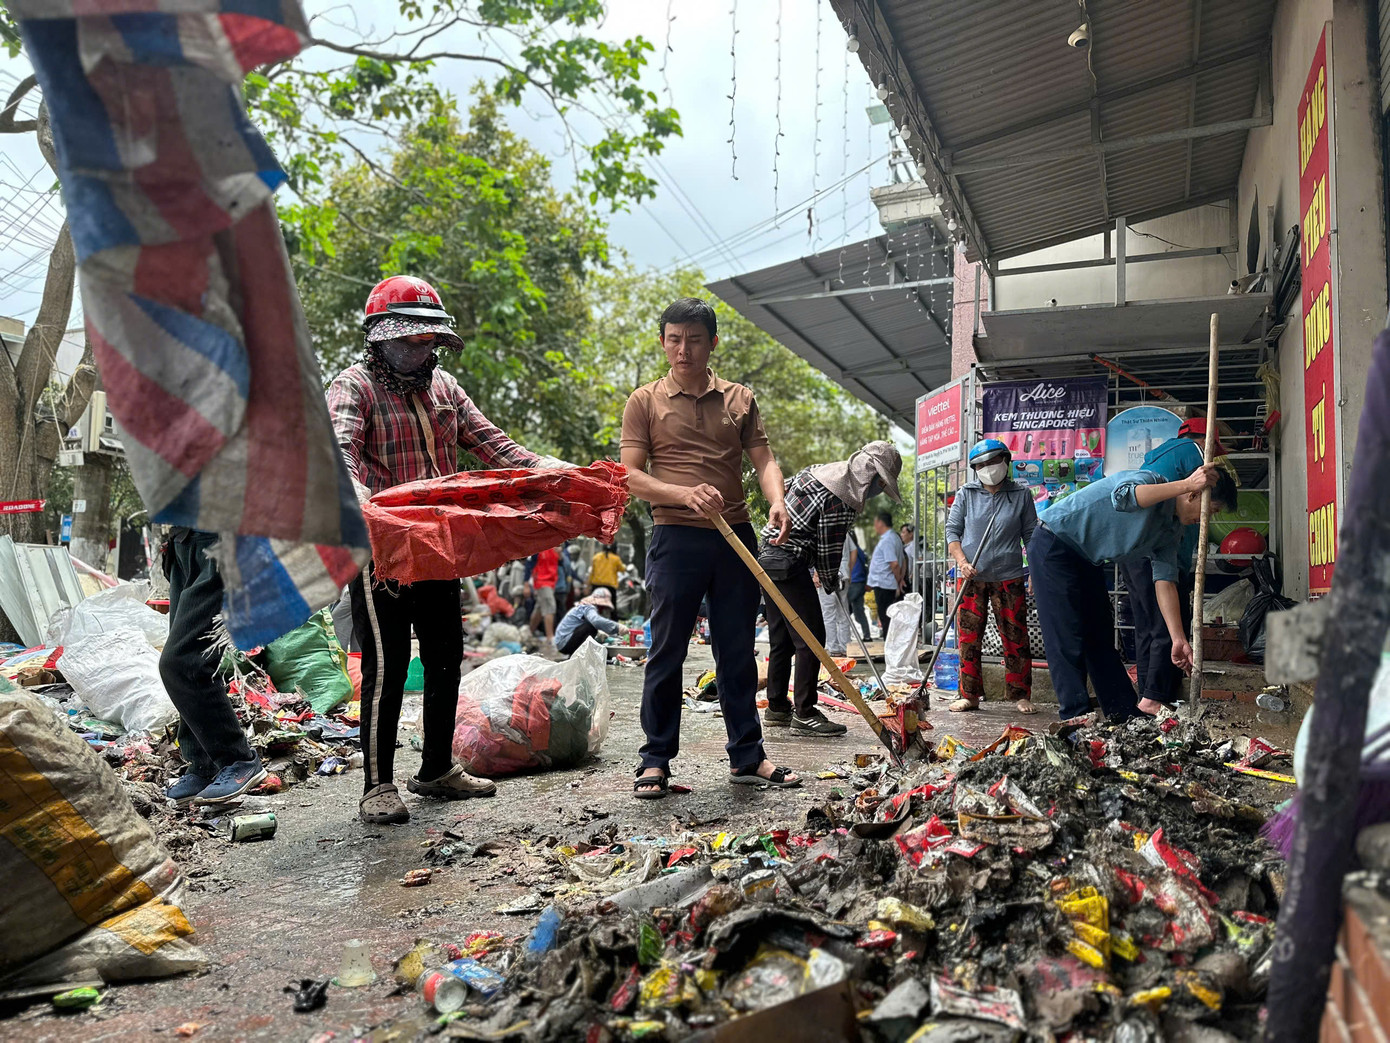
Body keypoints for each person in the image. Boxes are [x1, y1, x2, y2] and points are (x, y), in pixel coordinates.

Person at [329, 274, 546, 824]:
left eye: (429, 341)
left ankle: (434, 771)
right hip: (383, 551)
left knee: (447, 654)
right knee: (388, 665)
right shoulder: (353, 387)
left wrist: (555, 474)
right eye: (410, 340)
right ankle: (377, 786)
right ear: (380, 338)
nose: (421, 349)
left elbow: (496, 446)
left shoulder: (446, 389)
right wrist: (362, 499)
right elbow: (339, 454)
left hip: (439, 547)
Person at [620, 297, 800, 798]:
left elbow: (764, 460)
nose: (683, 349)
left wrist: (777, 501)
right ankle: (655, 760)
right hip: (675, 537)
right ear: (663, 342)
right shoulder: (645, 401)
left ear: (712, 342)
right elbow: (631, 476)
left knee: (738, 650)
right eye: (674, 339)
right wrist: (683, 493)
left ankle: (748, 756)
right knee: (667, 650)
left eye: (694, 339)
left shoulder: (740, 398)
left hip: (735, 537)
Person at [1028, 464, 1237, 724]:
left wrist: (1178, 639)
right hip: (1054, 543)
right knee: (1066, 636)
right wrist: (1186, 484)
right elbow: (1123, 496)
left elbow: (1165, 581)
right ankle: (1075, 716)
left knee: (1100, 636)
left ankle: (1124, 715)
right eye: (1211, 511)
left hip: (1086, 558)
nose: (1205, 520)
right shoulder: (1150, 479)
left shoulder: (1171, 530)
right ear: (1194, 496)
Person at [758, 442, 903, 737]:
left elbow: (783, 493)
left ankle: (777, 707)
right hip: (788, 560)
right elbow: (828, 548)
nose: (877, 490)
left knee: (783, 637)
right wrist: (829, 580)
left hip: (766, 557)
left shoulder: (820, 473)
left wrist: (824, 577)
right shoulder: (840, 497)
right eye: (880, 482)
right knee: (812, 637)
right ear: (869, 475)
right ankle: (806, 712)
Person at [1119, 418, 1228, 712]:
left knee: (1147, 624)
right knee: (1166, 622)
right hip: (1162, 552)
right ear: (1206, 442)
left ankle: (1146, 696)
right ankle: (1154, 696)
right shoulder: (1194, 452)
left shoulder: (1161, 456)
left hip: (1135, 549)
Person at [159, 529, 267, 805]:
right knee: (193, 659)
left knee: (182, 662)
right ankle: (203, 764)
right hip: (184, 541)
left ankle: (239, 760)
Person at [945, 438, 1038, 715]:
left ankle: (1020, 695)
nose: (988, 468)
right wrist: (962, 562)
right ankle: (969, 695)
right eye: (981, 465)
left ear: (1006, 461)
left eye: (993, 462)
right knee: (968, 637)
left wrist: (1034, 569)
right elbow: (952, 532)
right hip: (972, 577)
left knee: (1016, 637)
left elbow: (1031, 535)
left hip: (1009, 576)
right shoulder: (966, 493)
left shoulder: (1021, 495)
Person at [867, 511, 907, 634]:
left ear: (880, 523)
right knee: (888, 617)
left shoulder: (888, 540)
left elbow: (894, 564)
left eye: (875, 523)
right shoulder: (895, 537)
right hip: (887, 583)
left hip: (885, 584)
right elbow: (904, 560)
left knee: (886, 618)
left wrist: (898, 580)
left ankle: (888, 647)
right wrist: (900, 579)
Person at [816, 535, 855, 656]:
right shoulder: (844, 532)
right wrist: (849, 570)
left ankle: (833, 647)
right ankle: (845, 646)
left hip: (827, 575)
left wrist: (817, 574)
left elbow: (820, 554)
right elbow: (854, 551)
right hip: (843, 574)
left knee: (828, 614)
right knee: (843, 613)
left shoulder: (822, 530)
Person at [554, 588, 621, 656]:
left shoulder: (589, 607)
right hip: (564, 643)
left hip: (565, 641)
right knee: (591, 627)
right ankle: (580, 655)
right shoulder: (588, 606)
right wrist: (618, 627)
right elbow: (596, 621)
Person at [530, 546, 560, 650]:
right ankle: (550, 638)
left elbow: (561, 562)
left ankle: (529, 633)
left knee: (539, 609)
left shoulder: (556, 548)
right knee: (550, 606)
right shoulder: (538, 547)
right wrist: (526, 582)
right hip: (542, 582)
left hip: (551, 583)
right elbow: (530, 564)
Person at [846, 533, 871, 641]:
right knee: (859, 612)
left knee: (843, 610)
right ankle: (867, 635)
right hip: (860, 583)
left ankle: (845, 636)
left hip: (854, 582)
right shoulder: (859, 551)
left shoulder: (850, 551)